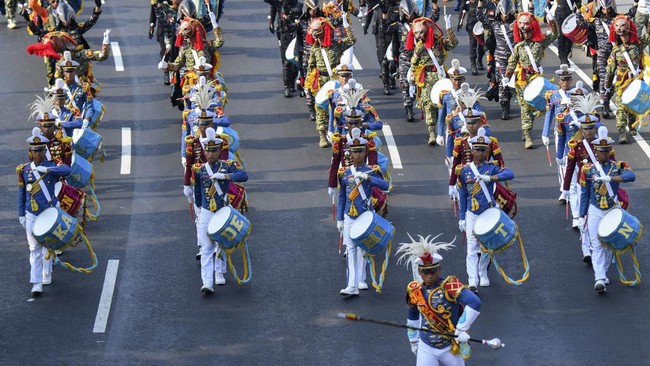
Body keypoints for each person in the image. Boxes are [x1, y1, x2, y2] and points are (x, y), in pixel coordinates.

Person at [396, 234, 481, 365]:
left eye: (433, 271)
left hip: (450, 346)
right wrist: (413, 340)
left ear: (439, 270)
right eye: (426, 272)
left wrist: (462, 328)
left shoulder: (450, 285)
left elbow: (474, 302)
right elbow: (413, 315)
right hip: (426, 347)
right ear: (420, 272)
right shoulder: (415, 290)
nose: (429, 276)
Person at [579, 126, 635, 293]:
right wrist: (582, 216)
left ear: (610, 151)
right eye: (600, 151)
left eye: (606, 151)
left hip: (611, 210)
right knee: (596, 245)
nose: (603, 154)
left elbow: (631, 176)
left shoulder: (617, 165)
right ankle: (600, 278)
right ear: (595, 151)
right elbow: (584, 193)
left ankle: (602, 273)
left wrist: (611, 178)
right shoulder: (587, 169)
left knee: (608, 245)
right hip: (595, 209)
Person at [192, 128, 248, 294]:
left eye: (214, 151)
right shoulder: (198, 169)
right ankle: (207, 282)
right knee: (206, 246)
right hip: (207, 211)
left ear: (219, 151)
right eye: (207, 151)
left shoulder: (227, 166)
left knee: (220, 243)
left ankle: (219, 272)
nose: (210, 154)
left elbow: (243, 176)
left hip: (223, 209)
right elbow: (197, 191)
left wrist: (224, 177)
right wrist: (198, 210)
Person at [457, 129, 514, 291]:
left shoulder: (491, 168)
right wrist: (462, 217)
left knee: (486, 247)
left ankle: (483, 273)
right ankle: (472, 279)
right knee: (471, 248)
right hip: (471, 213)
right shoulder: (465, 171)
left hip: (487, 212)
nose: (480, 153)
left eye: (483, 150)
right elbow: (462, 195)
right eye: (477, 149)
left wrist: (491, 178)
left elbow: (510, 173)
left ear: (487, 151)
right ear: (472, 150)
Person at [17, 128, 72, 296]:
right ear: (30, 152)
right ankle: (36, 283)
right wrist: (21, 213)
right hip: (32, 213)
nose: (38, 154)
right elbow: (22, 193)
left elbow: (67, 171)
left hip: (49, 212)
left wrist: (48, 171)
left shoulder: (52, 165)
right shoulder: (24, 170)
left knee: (48, 246)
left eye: (41, 150)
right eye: (35, 151)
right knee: (34, 249)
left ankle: (46, 274)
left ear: (45, 150)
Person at [336, 128, 389, 296]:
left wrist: (369, 178)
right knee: (351, 249)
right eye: (354, 151)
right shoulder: (344, 173)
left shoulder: (372, 170)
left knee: (362, 249)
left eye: (360, 151)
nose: (357, 154)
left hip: (365, 215)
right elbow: (342, 197)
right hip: (349, 215)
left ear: (365, 151)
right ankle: (352, 285)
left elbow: (386, 186)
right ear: (350, 153)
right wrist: (340, 219)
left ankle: (361, 279)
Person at [562, 93, 614, 263]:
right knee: (584, 219)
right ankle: (586, 250)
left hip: (603, 188)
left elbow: (613, 166)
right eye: (585, 129)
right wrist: (566, 188)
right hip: (583, 187)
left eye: (591, 128)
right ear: (581, 130)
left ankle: (606, 248)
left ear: (595, 128)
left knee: (607, 218)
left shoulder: (603, 145)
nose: (589, 131)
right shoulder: (576, 146)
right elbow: (570, 168)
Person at [504, 11, 559, 148]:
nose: (526, 33)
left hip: (536, 78)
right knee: (524, 107)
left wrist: (552, 21)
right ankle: (528, 135)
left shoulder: (540, 43)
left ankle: (533, 128)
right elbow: (511, 65)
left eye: (528, 31)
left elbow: (555, 34)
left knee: (539, 104)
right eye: (523, 31)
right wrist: (506, 78)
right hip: (522, 80)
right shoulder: (518, 47)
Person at [576, 0, 636, 119]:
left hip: (615, 54)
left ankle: (608, 99)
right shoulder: (595, 21)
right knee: (604, 79)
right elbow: (581, 24)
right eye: (603, 9)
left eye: (608, 9)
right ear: (600, 9)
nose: (606, 11)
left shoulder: (617, 21)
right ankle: (605, 106)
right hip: (602, 54)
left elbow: (628, 16)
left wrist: (635, 6)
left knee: (615, 81)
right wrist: (578, 11)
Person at [305, 15, 356, 147]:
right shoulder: (315, 50)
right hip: (321, 81)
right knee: (320, 108)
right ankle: (322, 135)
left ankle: (339, 132)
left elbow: (352, 40)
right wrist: (307, 85)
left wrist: (346, 25)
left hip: (335, 80)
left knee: (338, 107)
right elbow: (311, 67)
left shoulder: (337, 45)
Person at [406, 16, 458, 145]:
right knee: (428, 105)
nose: (418, 36)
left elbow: (453, 44)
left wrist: (449, 28)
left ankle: (449, 130)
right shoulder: (419, 47)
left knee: (446, 104)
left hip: (441, 77)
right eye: (416, 33)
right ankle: (432, 133)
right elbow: (413, 65)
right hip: (427, 79)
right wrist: (412, 83)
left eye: (421, 32)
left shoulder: (440, 42)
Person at [541, 64, 586, 203]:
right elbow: (549, 115)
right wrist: (545, 133)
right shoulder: (554, 96)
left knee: (579, 157)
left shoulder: (577, 94)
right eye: (563, 80)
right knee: (562, 160)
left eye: (568, 80)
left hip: (576, 131)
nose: (565, 83)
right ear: (559, 81)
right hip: (560, 132)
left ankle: (578, 184)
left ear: (571, 81)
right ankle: (563, 190)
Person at [603, 15, 650, 144]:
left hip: (635, 80)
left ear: (628, 29)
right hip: (621, 82)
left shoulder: (638, 45)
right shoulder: (616, 50)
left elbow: (649, 35)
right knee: (621, 107)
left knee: (633, 103)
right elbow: (610, 70)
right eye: (618, 28)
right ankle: (622, 132)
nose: (621, 32)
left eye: (623, 27)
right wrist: (606, 88)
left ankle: (632, 124)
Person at [477, 0, 515, 120]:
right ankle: (505, 107)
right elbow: (480, 16)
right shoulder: (494, 24)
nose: (505, 16)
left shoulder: (516, 23)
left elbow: (528, 24)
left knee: (518, 83)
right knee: (502, 83)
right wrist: (480, 3)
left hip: (514, 57)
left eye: (507, 14)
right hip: (500, 58)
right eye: (503, 14)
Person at [29, 94, 74, 166]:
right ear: (40, 127)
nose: (47, 129)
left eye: (49, 126)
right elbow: (32, 165)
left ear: (54, 126)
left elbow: (67, 166)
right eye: (44, 126)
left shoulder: (64, 144)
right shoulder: (35, 144)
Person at [396, 0, 419, 122]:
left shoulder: (420, 23)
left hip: (419, 58)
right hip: (405, 57)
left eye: (411, 14)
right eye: (407, 15)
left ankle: (417, 101)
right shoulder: (399, 26)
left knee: (417, 84)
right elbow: (394, 42)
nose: (409, 17)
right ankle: (409, 108)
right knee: (405, 83)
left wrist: (435, 7)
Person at [150, 0, 178, 85]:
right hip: (162, 30)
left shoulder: (178, 2)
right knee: (164, 51)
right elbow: (153, 12)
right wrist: (151, 26)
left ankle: (175, 73)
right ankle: (166, 73)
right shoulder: (157, 2)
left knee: (175, 53)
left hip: (175, 30)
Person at [458, 0, 484, 75]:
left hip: (482, 21)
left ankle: (479, 60)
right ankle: (473, 65)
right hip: (472, 21)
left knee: (482, 43)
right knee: (473, 44)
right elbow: (463, 8)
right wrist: (460, 21)